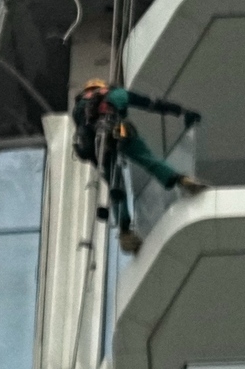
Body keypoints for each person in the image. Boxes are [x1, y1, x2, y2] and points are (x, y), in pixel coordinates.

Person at [70, 78, 204, 250]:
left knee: (116, 185)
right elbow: (151, 103)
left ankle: (125, 232)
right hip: (121, 132)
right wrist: (181, 111)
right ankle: (181, 180)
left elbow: (84, 135)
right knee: (148, 159)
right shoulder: (116, 93)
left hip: (99, 146)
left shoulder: (79, 107)